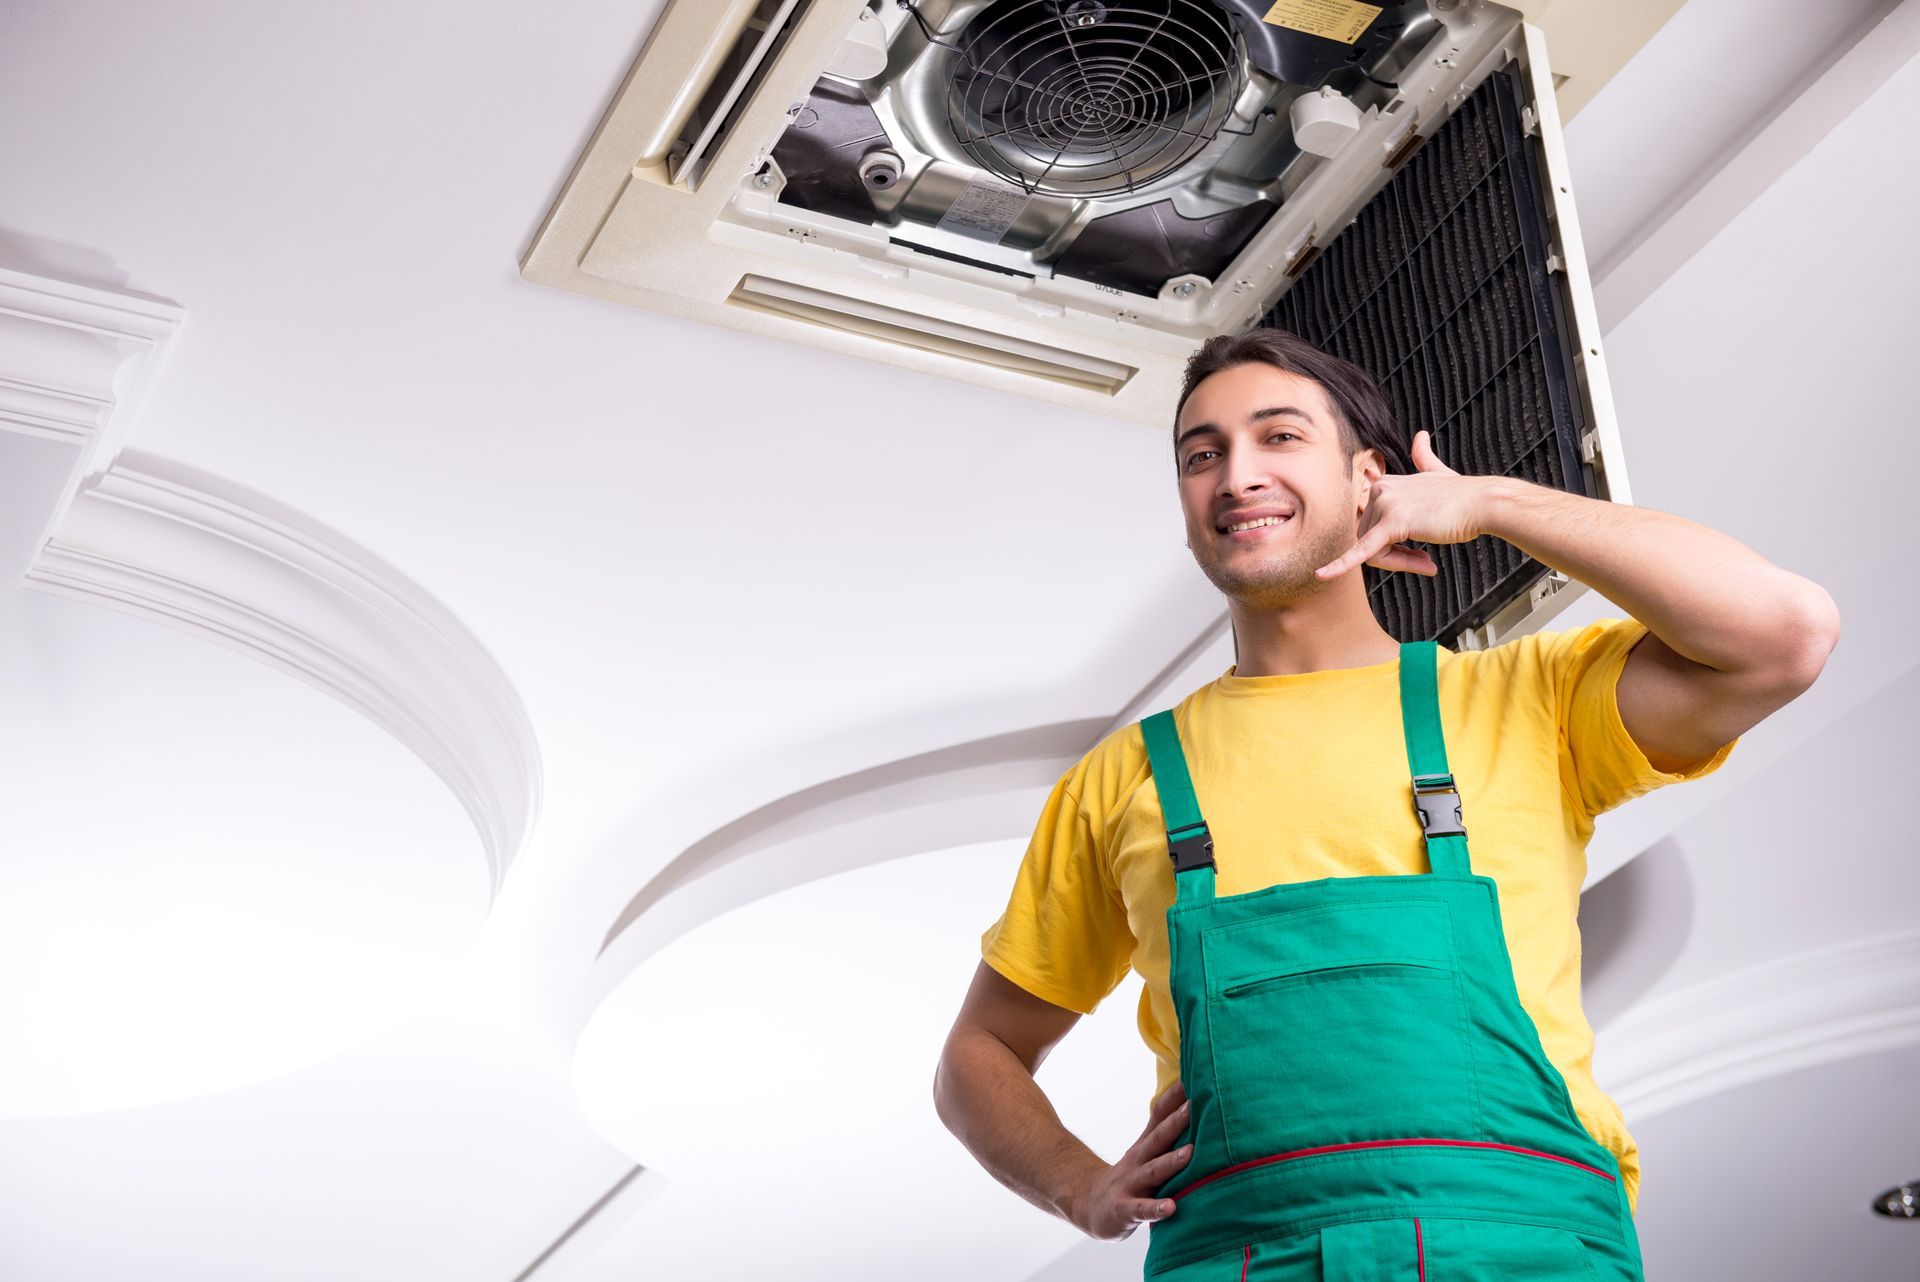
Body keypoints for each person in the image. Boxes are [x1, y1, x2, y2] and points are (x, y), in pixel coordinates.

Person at [932, 328, 1840, 1279]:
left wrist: (1490, 500)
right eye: (1202, 454)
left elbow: (1784, 633)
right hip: (1238, 1255)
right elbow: (980, 1051)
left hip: (1518, 1242)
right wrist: (1078, 1187)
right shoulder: (1124, 778)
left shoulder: (1527, 699)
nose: (1236, 474)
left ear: (1370, 477)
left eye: (1278, 437)